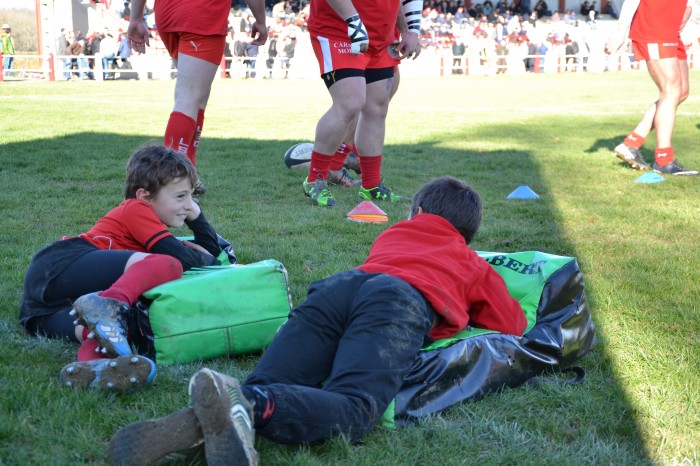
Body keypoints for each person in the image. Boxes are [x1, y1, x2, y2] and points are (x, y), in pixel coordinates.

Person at [108, 175, 528, 465]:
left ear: (415, 212)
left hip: (339, 288)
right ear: (466, 233)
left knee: (267, 381)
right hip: (398, 304)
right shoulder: (470, 261)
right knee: (357, 406)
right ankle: (251, 406)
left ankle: (234, 402)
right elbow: (511, 324)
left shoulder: (392, 235)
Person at [19, 145, 227, 392]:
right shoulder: (135, 208)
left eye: (193, 197)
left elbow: (212, 252)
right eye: (181, 197)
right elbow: (185, 259)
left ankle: (95, 370)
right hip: (58, 265)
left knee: (119, 331)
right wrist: (210, 262)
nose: (189, 205)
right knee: (167, 264)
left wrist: (196, 217)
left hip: (42, 313)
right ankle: (111, 301)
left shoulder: (157, 227)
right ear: (145, 196)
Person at [300, 0, 423, 207]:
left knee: (377, 106)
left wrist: (410, 31)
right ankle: (315, 178)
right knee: (350, 102)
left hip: (381, 35)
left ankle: (371, 185)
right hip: (339, 30)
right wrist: (353, 20)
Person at [127, 0, 267, 174]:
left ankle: (188, 171)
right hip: (203, 13)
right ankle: (173, 178)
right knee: (189, 98)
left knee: (196, 97)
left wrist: (136, 19)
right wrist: (261, 21)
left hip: (167, 13)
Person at [605, 0, 697, 175]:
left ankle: (631, 144)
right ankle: (664, 160)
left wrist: (689, 11)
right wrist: (621, 30)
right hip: (654, 28)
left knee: (681, 92)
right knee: (670, 91)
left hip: (672, 30)